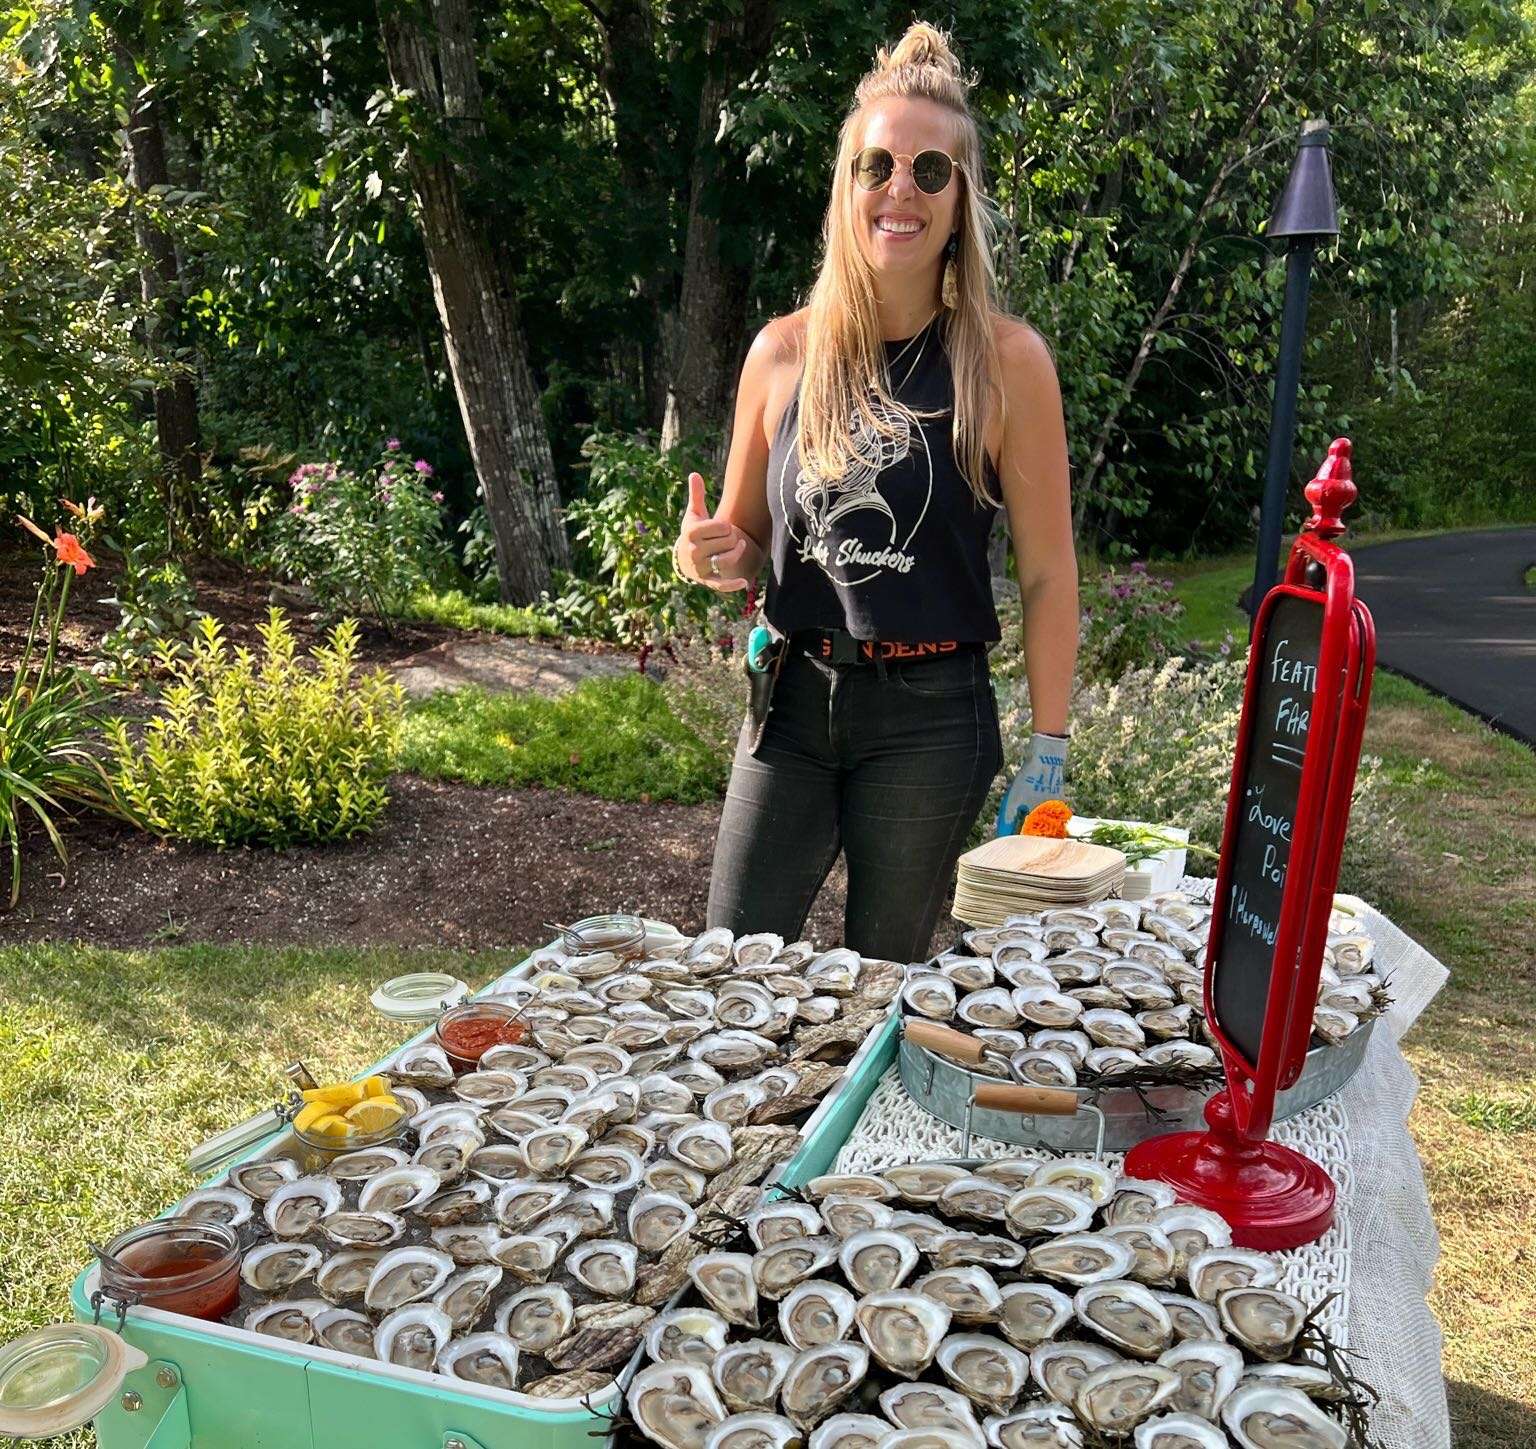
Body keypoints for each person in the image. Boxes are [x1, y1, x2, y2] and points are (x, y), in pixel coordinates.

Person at [672, 21, 1078, 962]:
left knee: (880, 985)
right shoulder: (783, 350)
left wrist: (1048, 747)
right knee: (730, 963)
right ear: (848, 183)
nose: (901, 189)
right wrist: (708, 552)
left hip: (931, 717)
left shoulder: (1006, 363)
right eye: (878, 165)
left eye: (930, 171)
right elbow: (739, 538)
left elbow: (1051, 575)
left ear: (960, 198)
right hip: (790, 701)